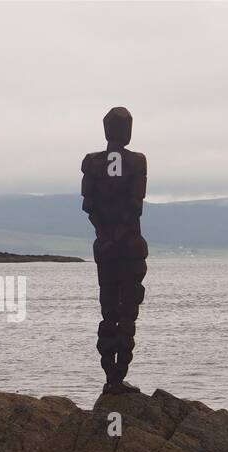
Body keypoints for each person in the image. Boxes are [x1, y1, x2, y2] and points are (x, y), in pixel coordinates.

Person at [81, 106, 148, 393]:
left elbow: (89, 206)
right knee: (127, 312)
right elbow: (135, 206)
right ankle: (117, 375)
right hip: (129, 247)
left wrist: (105, 235)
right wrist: (119, 235)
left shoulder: (92, 163)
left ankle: (112, 376)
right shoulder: (136, 162)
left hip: (105, 248)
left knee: (109, 309)